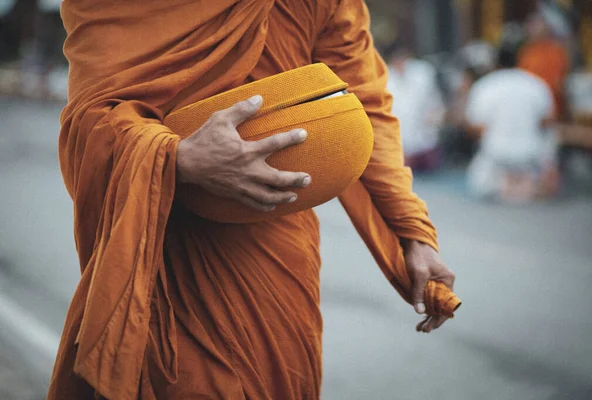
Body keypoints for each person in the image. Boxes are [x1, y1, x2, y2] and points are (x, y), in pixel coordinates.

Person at [48, 1, 457, 399]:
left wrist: (413, 232)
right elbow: (90, 121)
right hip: (168, 246)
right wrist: (180, 159)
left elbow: (366, 102)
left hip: (277, 252)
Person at [465, 45, 559, 202]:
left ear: (496, 63)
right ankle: (529, 184)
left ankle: (512, 184)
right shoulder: (536, 83)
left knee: (479, 185)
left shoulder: (485, 85)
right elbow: (547, 121)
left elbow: (475, 127)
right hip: (530, 154)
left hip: (497, 154)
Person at [387, 49, 446, 171]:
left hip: (426, 144)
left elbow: (436, 105)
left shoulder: (422, 72)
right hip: (398, 149)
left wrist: (435, 119)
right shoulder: (384, 78)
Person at [518, 12, 570, 119]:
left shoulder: (556, 52)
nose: (533, 29)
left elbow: (560, 83)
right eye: (531, 26)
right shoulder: (526, 52)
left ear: (547, 28)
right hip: (528, 105)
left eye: (537, 25)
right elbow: (521, 78)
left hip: (550, 105)